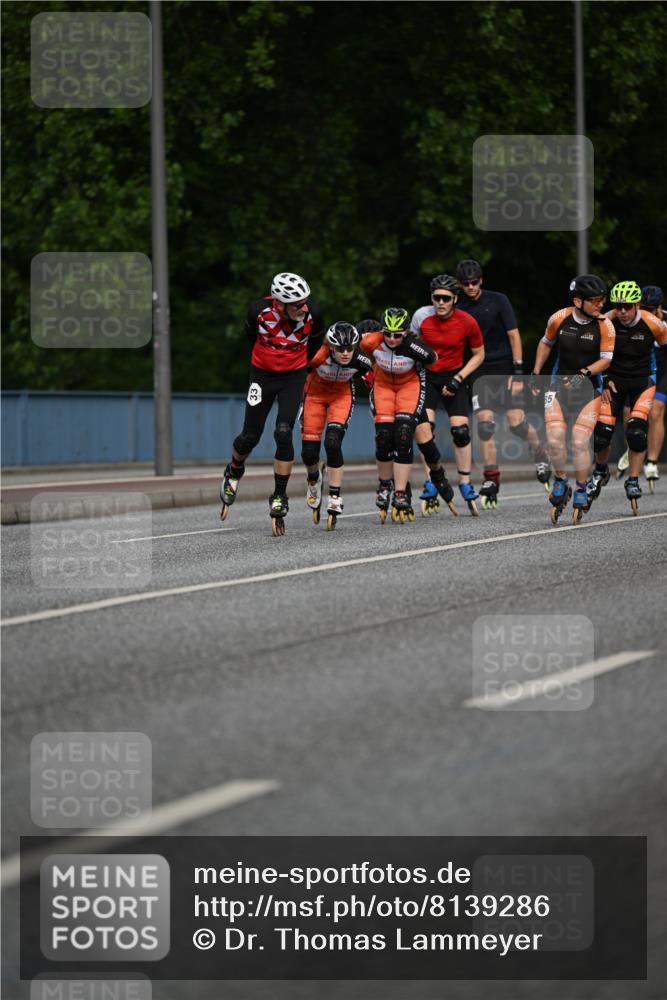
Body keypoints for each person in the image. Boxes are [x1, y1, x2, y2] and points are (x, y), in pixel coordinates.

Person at [219, 272, 324, 534]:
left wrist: (293, 363)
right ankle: (233, 470)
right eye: (297, 304)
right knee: (249, 437)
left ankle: (279, 495)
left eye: (305, 301)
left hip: (293, 376)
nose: (304, 307)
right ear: (279, 303)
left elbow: (313, 347)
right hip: (262, 375)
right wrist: (268, 360)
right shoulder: (258, 311)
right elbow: (250, 339)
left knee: (283, 432)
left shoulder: (314, 314)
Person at [455, 258, 551, 503]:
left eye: (474, 282)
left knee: (516, 422)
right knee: (485, 426)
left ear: (481, 281)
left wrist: (518, 373)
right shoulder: (459, 309)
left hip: (505, 367)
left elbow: (514, 336)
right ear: (460, 285)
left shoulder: (498, 300)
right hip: (478, 370)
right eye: (465, 283)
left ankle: (539, 452)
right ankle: (491, 476)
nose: (470, 287)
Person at [530, 274, 614, 524]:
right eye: (596, 300)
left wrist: (585, 372)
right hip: (557, 387)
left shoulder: (604, 326)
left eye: (603, 300)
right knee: (555, 440)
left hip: (589, 389)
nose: (601, 305)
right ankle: (560, 481)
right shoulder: (559, 318)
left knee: (578, 443)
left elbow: (606, 359)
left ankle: (581, 487)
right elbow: (546, 343)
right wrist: (536, 372)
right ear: (578, 301)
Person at [361, 308, 449, 522]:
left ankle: (421, 483)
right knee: (384, 438)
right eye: (387, 334)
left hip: (409, 387)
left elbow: (433, 358)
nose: (391, 339)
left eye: (397, 334)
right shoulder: (369, 342)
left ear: (406, 332)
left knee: (405, 434)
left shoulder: (413, 346)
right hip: (383, 387)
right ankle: (386, 485)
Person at [410, 274, 485, 515]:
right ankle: (433, 479)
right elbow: (412, 346)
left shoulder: (467, 321)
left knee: (460, 432)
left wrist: (458, 379)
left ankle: (464, 481)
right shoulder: (421, 317)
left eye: (446, 298)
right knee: (425, 430)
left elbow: (478, 355)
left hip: (455, 375)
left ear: (455, 299)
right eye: (436, 298)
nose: (440, 303)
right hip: (428, 377)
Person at [591, 281, 666, 512]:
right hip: (613, 380)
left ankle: (632, 480)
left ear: (636, 305)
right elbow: (593, 353)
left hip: (642, 381)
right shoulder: (606, 321)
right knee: (602, 434)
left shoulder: (654, 324)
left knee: (636, 432)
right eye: (618, 306)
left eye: (627, 307)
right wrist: (602, 379)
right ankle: (600, 469)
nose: (622, 312)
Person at [301, 322, 373, 529]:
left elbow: (370, 374)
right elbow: (297, 372)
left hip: (341, 396)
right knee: (308, 452)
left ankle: (334, 496)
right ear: (330, 347)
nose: (345, 353)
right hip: (314, 396)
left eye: (349, 348)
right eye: (340, 348)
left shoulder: (362, 360)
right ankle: (314, 479)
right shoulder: (317, 356)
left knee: (333, 442)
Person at [616, 285, 666, 490]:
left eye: (650, 308)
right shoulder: (631, 320)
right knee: (628, 412)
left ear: (659, 308)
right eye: (642, 307)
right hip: (642, 373)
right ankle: (633, 447)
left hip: (664, 371)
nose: (645, 312)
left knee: (655, 411)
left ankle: (652, 461)